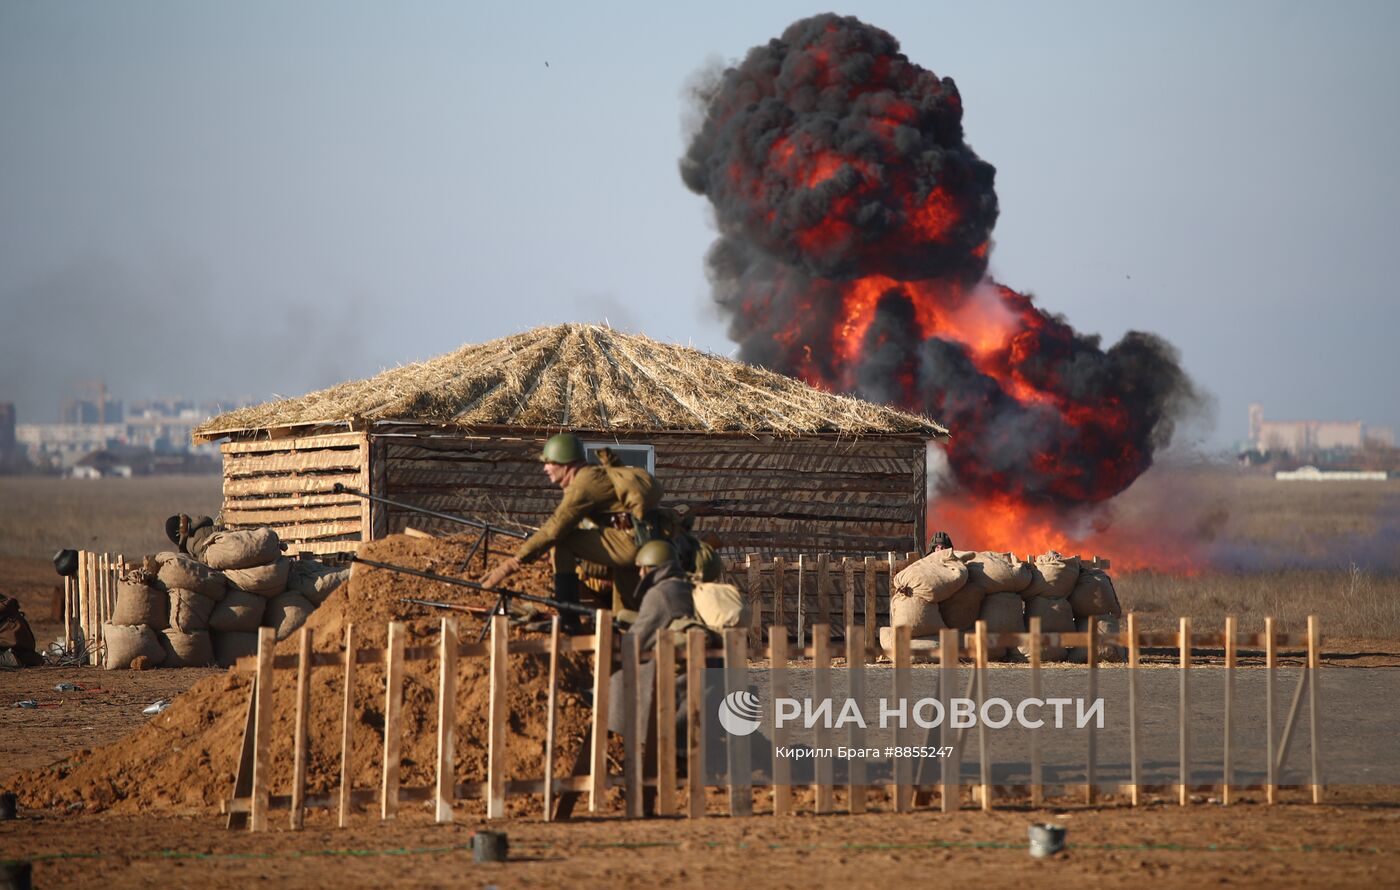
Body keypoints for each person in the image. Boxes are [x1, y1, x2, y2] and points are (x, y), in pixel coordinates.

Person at [480, 432, 661, 629]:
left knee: (563, 541)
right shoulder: (590, 477)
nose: (545, 468)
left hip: (630, 544)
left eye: (549, 462)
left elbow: (555, 527)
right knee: (624, 623)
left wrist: (514, 561)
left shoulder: (584, 483)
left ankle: (570, 619)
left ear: (565, 463)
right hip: (636, 544)